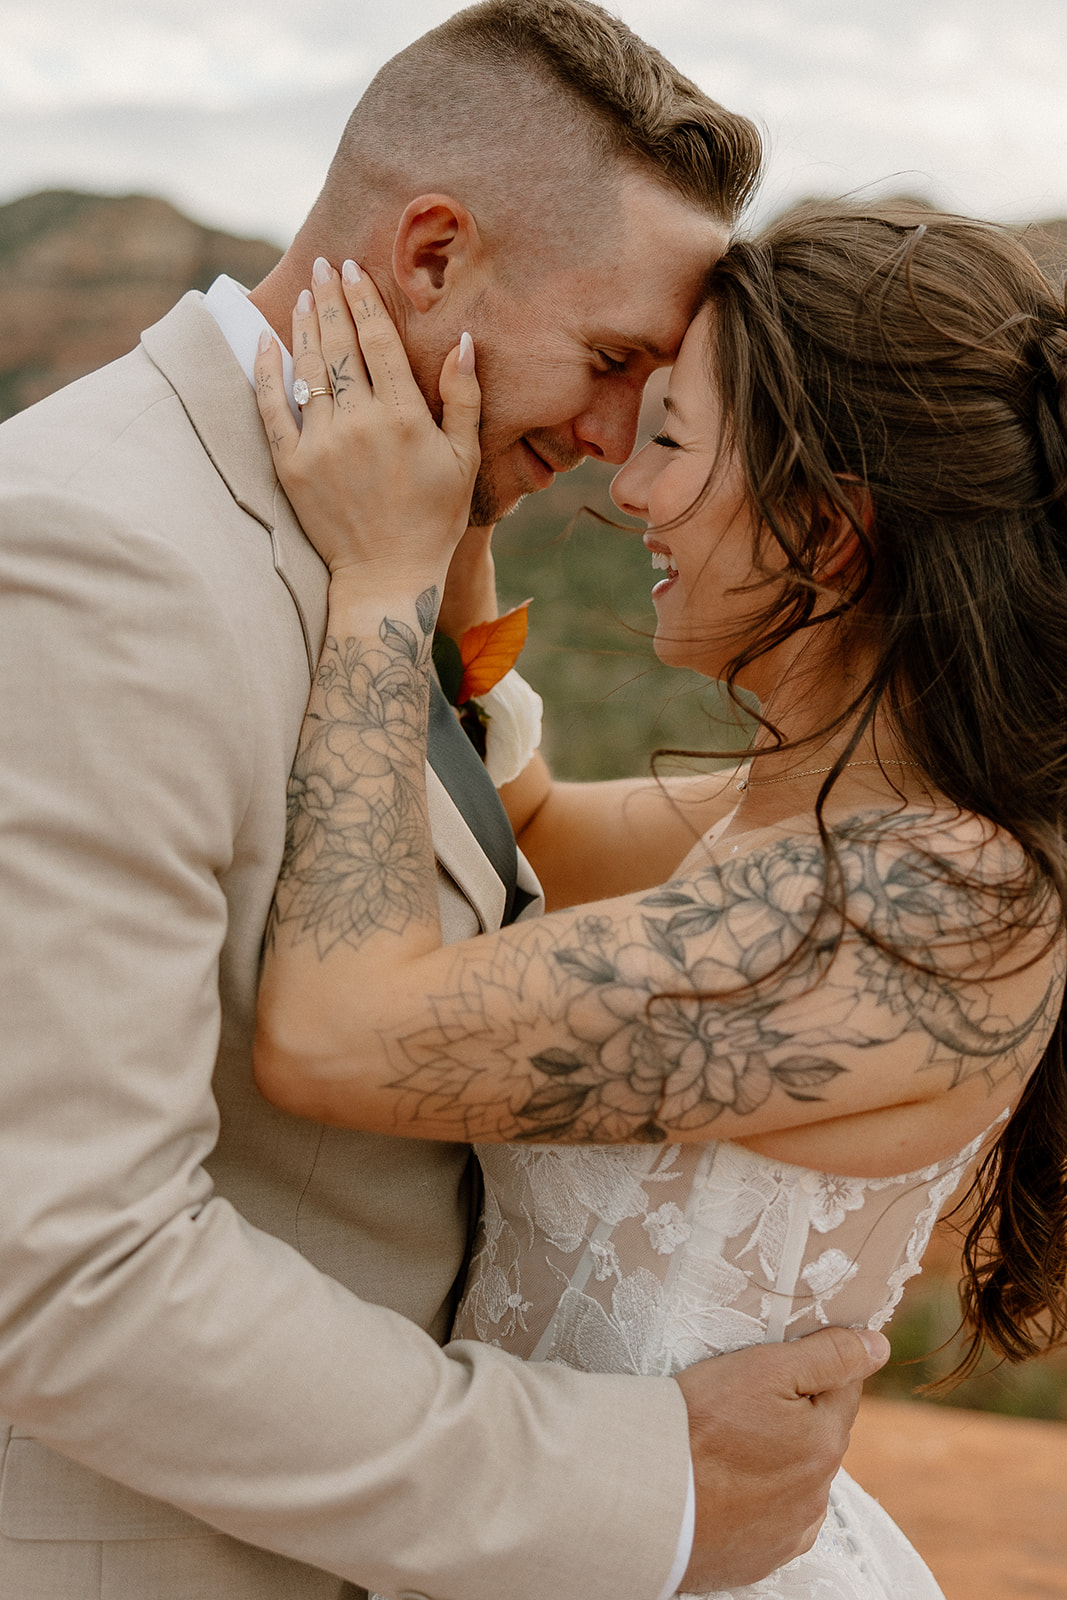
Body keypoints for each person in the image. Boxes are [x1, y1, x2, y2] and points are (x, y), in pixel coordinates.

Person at [0, 5, 889, 1599]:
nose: (624, 447)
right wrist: (640, 1489)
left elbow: (490, 825)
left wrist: (434, 590)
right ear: (430, 258)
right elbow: (64, 1271)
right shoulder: (87, 561)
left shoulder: (363, 525)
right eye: (615, 361)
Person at [251, 197, 1067, 1599]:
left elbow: (332, 1033)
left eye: (677, 442)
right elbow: (539, 829)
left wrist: (378, 587)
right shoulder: (806, 811)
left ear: (830, 533)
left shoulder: (923, 904)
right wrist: (461, 535)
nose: (627, 486)